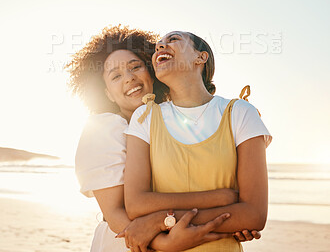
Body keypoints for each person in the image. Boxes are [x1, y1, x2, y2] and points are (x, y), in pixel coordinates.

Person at [66, 26, 260, 252]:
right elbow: (117, 212)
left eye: (135, 67)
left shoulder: (164, 118)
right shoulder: (103, 129)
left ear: (150, 73)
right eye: (116, 76)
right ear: (107, 93)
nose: (129, 78)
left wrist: (232, 222)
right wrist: (166, 240)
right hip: (127, 242)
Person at [125, 31, 272, 251]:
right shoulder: (145, 117)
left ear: (201, 57)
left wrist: (161, 220)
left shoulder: (240, 113)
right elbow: (136, 204)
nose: (160, 47)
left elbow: (253, 215)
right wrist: (222, 199)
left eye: (173, 40)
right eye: (158, 45)